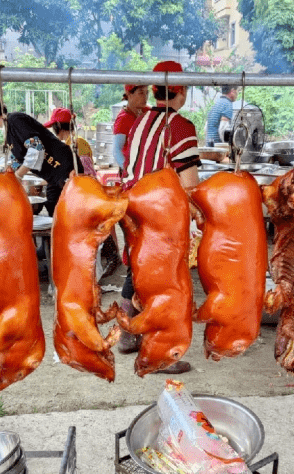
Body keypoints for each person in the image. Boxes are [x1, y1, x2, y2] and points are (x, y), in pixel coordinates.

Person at [117, 61, 201, 374]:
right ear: (180, 90)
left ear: (155, 90)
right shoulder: (180, 126)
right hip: (158, 211)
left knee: (137, 268)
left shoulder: (139, 121)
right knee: (162, 280)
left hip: (132, 205)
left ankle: (127, 334)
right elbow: (190, 184)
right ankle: (159, 350)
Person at [0, 95, 84, 215]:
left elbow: (36, 149)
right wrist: (9, 173)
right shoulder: (8, 130)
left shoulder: (15, 120)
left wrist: (19, 175)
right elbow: (20, 157)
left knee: (68, 212)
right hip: (52, 176)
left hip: (65, 168)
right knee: (52, 208)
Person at [45, 107, 93, 174]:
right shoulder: (68, 143)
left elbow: (85, 173)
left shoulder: (79, 143)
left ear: (58, 126)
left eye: (53, 127)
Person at [112, 84, 149, 170]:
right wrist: (130, 170)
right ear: (129, 94)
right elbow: (116, 151)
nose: (145, 97)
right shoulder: (123, 119)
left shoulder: (148, 112)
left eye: (147, 93)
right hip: (132, 170)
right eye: (141, 93)